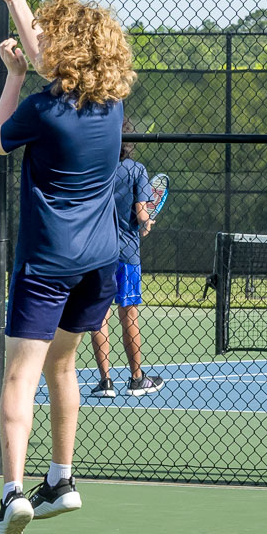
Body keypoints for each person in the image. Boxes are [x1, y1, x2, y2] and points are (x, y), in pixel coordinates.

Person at [0, 0, 136, 534]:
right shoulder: (112, 106)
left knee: (21, 375)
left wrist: (13, 79)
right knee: (63, 368)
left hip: (47, 263)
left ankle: (12, 495)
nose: (40, 40)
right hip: (99, 265)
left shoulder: (42, 109)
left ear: (62, 50)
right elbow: (53, 58)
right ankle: (62, 479)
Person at [88, 121, 165, 398]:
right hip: (127, 255)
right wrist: (147, 223)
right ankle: (136, 379)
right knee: (128, 315)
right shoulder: (137, 170)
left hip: (97, 253)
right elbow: (142, 215)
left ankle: (105, 382)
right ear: (130, 144)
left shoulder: (96, 168)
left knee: (99, 316)